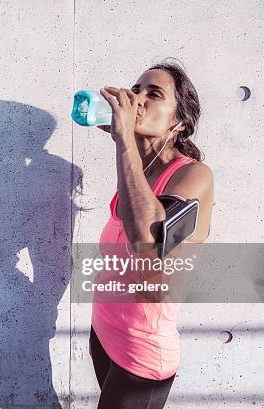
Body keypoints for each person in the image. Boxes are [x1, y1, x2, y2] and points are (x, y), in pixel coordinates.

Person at [89, 60, 214, 409]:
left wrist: (124, 137)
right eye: (137, 89)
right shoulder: (138, 174)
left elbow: (147, 246)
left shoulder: (195, 177)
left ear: (177, 122)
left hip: (142, 355)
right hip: (103, 334)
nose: (137, 98)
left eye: (154, 93)